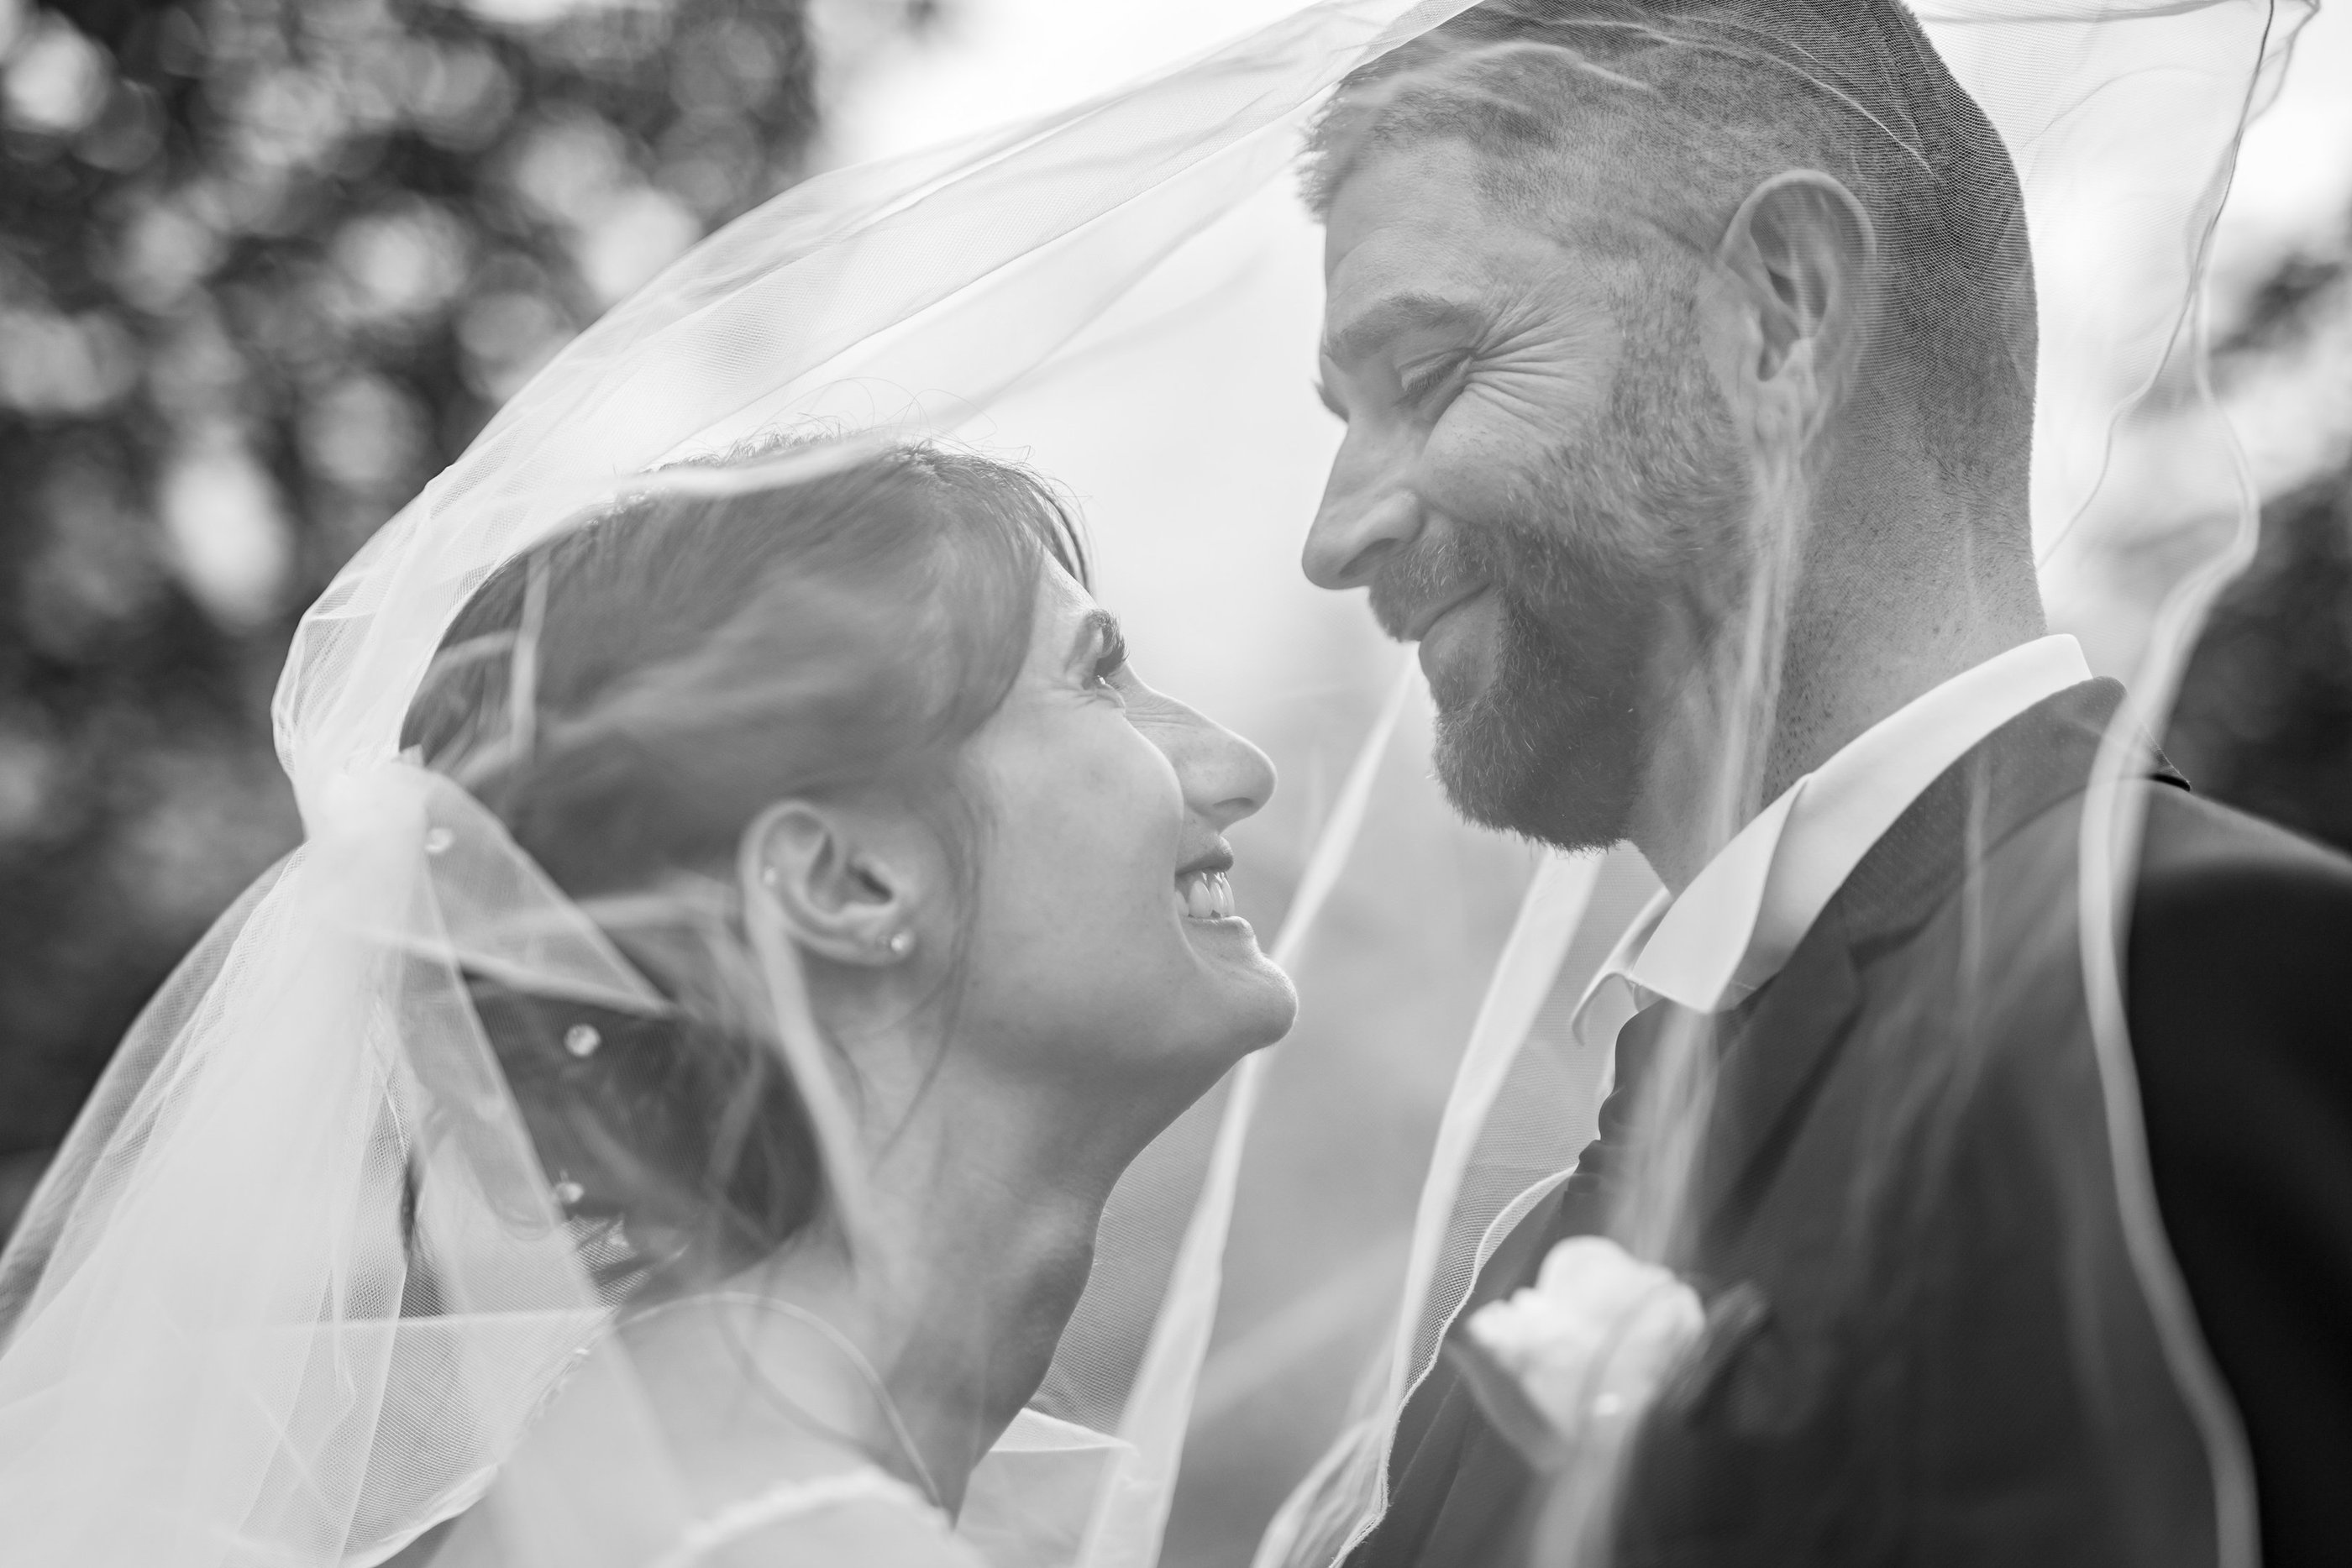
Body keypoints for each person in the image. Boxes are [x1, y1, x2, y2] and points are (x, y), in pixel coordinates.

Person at [1287, 2, 2352, 1565]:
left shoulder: (2187, 982)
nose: (1336, 535)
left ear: (1781, 316)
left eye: (1433, 373)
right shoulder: (1567, 1231)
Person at [0, 441, 1299, 1568]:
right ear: (844, 881)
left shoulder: (716, 1470)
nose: (1236, 769)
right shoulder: (787, 1545)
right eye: (1098, 677)